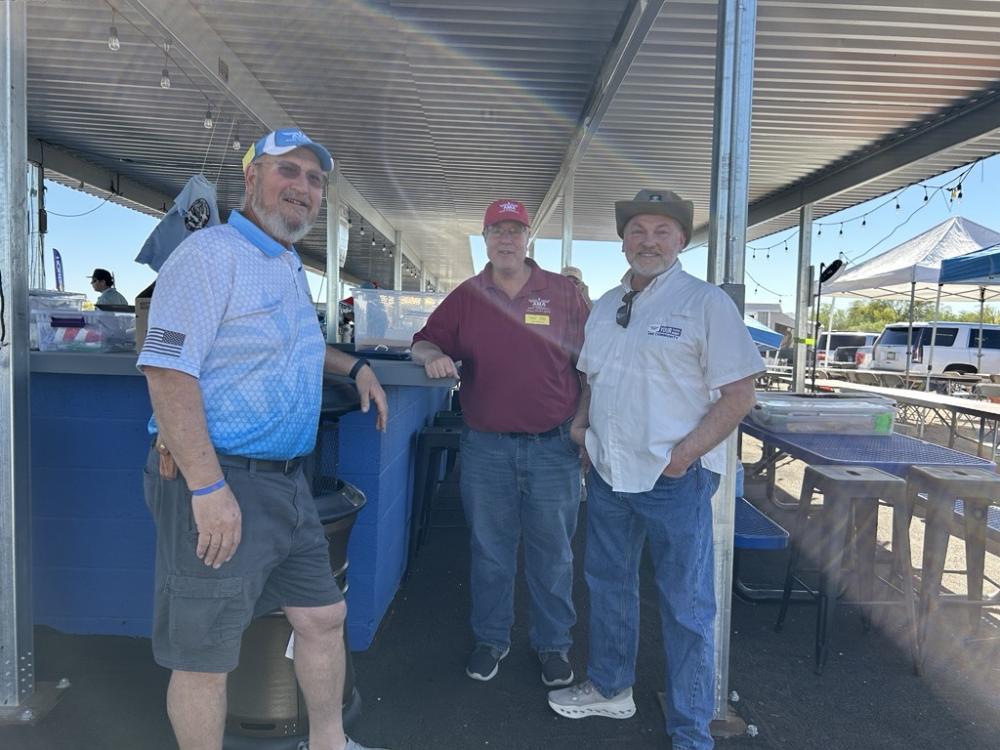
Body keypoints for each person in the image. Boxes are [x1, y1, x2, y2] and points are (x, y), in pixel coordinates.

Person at [138, 127, 390, 750]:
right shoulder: (209, 254)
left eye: (314, 179)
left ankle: (329, 742)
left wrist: (354, 366)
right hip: (219, 479)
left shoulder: (281, 265)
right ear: (250, 178)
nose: (302, 188)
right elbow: (167, 371)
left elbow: (298, 344)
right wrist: (208, 486)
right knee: (204, 655)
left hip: (284, 483)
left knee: (323, 617)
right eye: (289, 172)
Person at [547, 190, 763, 750]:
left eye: (662, 231)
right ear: (623, 241)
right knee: (609, 586)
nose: (648, 241)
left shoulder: (705, 303)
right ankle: (612, 689)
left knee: (686, 607)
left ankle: (692, 732)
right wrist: (581, 427)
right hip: (611, 472)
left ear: (682, 241)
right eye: (638, 230)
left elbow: (739, 394)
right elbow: (593, 377)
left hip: (674, 479)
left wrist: (685, 454)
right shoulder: (606, 305)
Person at [411, 198, 590, 687]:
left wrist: (584, 426)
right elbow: (423, 340)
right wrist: (430, 356)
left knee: (553, 553)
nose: (506, 240)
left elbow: (594, 365)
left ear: (528, 238)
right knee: (490, 550)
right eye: (497, 231)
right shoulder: (469, 295)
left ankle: (554, 645)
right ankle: (491, 639)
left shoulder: (563, 293)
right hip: (486, 448)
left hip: (554, 448)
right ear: (485, 239)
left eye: (515, 231)